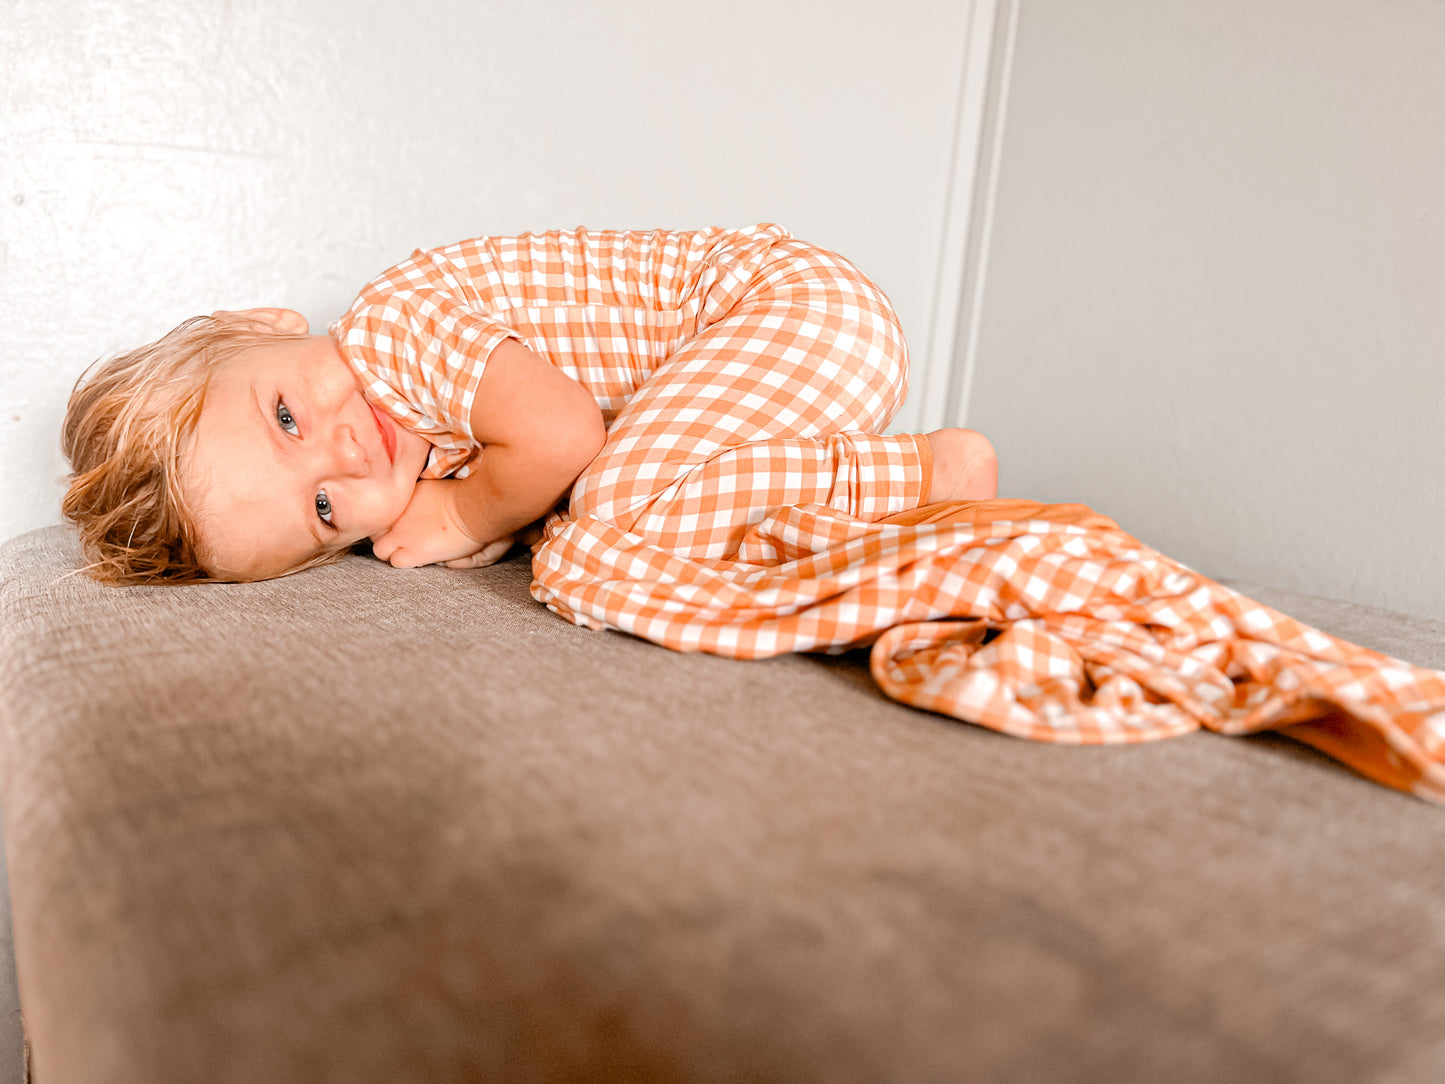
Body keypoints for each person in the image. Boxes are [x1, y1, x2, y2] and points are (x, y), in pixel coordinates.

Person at [61, 223, 998, 585]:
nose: (344, 455)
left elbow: (562, 435)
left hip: (791, 312)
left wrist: (467, 510)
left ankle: (925, 470)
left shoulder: (390, 330)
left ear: (259, 322)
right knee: (625, 516)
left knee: (612, 518)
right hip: (776, 346)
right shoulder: (416, 428)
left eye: (285, 418)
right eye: (321, 510)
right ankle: (853, 514)